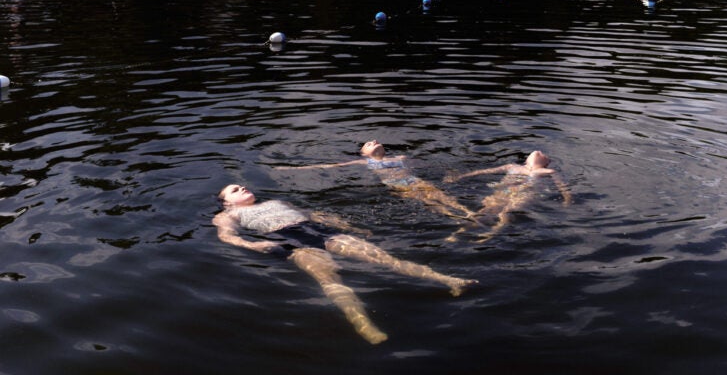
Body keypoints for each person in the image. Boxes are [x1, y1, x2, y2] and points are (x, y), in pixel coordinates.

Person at [213, 184, 477, 345]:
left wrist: (348, 226)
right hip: (288, 241)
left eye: (242, 186)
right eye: (235, 190)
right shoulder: (227, 215)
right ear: (226, 202)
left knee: (387, 259)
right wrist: (253, 246)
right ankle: (364, 325)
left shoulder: (277, 201)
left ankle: (449, 280)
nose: (243, 189)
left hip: (318, 231)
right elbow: (227, 237)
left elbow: (313, 214)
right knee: (330, 281)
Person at [274, 140, 476, 220]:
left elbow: (429, 165)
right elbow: (327, 167)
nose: (374, 141)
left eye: (376, 141)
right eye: (369, 143)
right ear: (364, 153)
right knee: (428, 201)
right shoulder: (363, 163)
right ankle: (455, 217)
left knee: (440, 194)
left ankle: (468, 213)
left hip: (413, 180)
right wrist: (290, 168)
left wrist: (452, 172)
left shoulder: (401, 159)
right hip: (397, 185)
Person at [443, 151, 572, 243]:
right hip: (505, 192)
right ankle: (458, 233)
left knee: (507, 211)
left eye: (544, 155)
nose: (539, 152)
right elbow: (484, 171)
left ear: (546, 163)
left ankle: (491, 233)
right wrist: (460, 176)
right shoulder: (512, 166)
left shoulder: (546, 171)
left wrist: (567, 199)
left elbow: (562, 186)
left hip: (524, 194)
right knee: (485, 211)